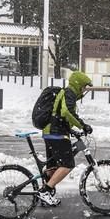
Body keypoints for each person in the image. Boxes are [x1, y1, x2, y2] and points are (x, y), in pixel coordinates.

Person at [38, 70, 93, 206]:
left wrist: (71, 131)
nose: (85, 90)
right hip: (56, 134)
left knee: (54, 166)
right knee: (67, 165)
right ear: (78, 84)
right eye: (84, 86)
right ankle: (45, 191)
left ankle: (45, 193)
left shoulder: (67, 93)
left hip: (51, 132)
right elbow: (67, 112)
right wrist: (82, 125)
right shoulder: (70, 93)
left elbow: (60, 116)